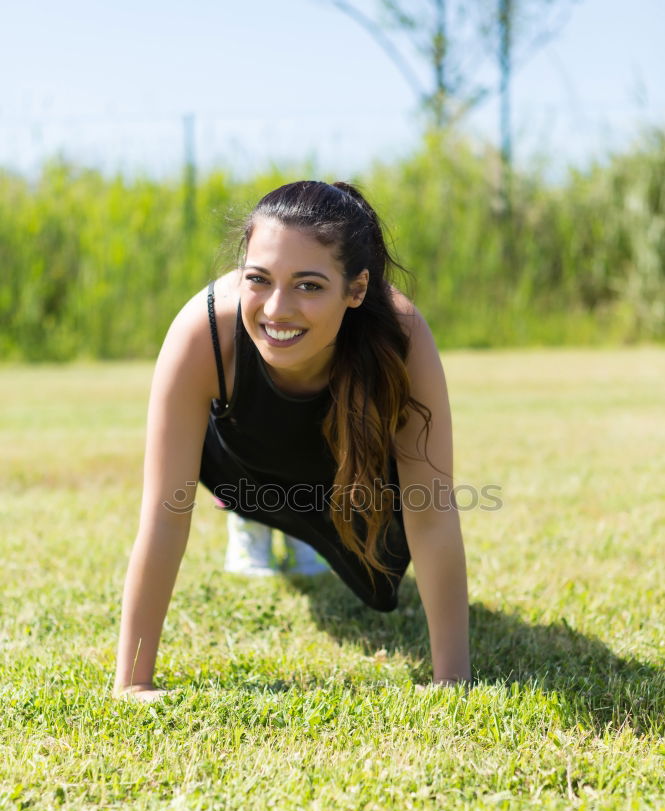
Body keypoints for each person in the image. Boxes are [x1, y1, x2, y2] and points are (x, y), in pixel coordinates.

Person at [112, 180, 470, 702]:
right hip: (238, 464)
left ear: (356, 289)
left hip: (345, 471)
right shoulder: (205, 329)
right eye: (259, 278)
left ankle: (306, 532)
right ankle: (249, 517)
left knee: (380, 578)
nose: (277, 309)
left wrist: (453, 680)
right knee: (233, 474)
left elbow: (431, 510)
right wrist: (133, 682)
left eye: (308, 285)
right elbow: (166, 512)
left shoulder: (401, 334)